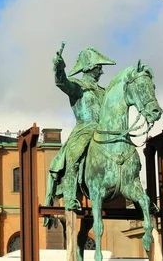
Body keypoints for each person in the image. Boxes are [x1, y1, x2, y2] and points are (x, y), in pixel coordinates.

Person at [45, 44, 116, 211]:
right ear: (90, 67)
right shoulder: (78, 86)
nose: (101, 71)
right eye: (99, 67)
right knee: (74, 156)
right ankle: (70, 197)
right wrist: (59, 68)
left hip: (104, 129)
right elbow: (62, 83)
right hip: (85, 129)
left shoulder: (104, 91)